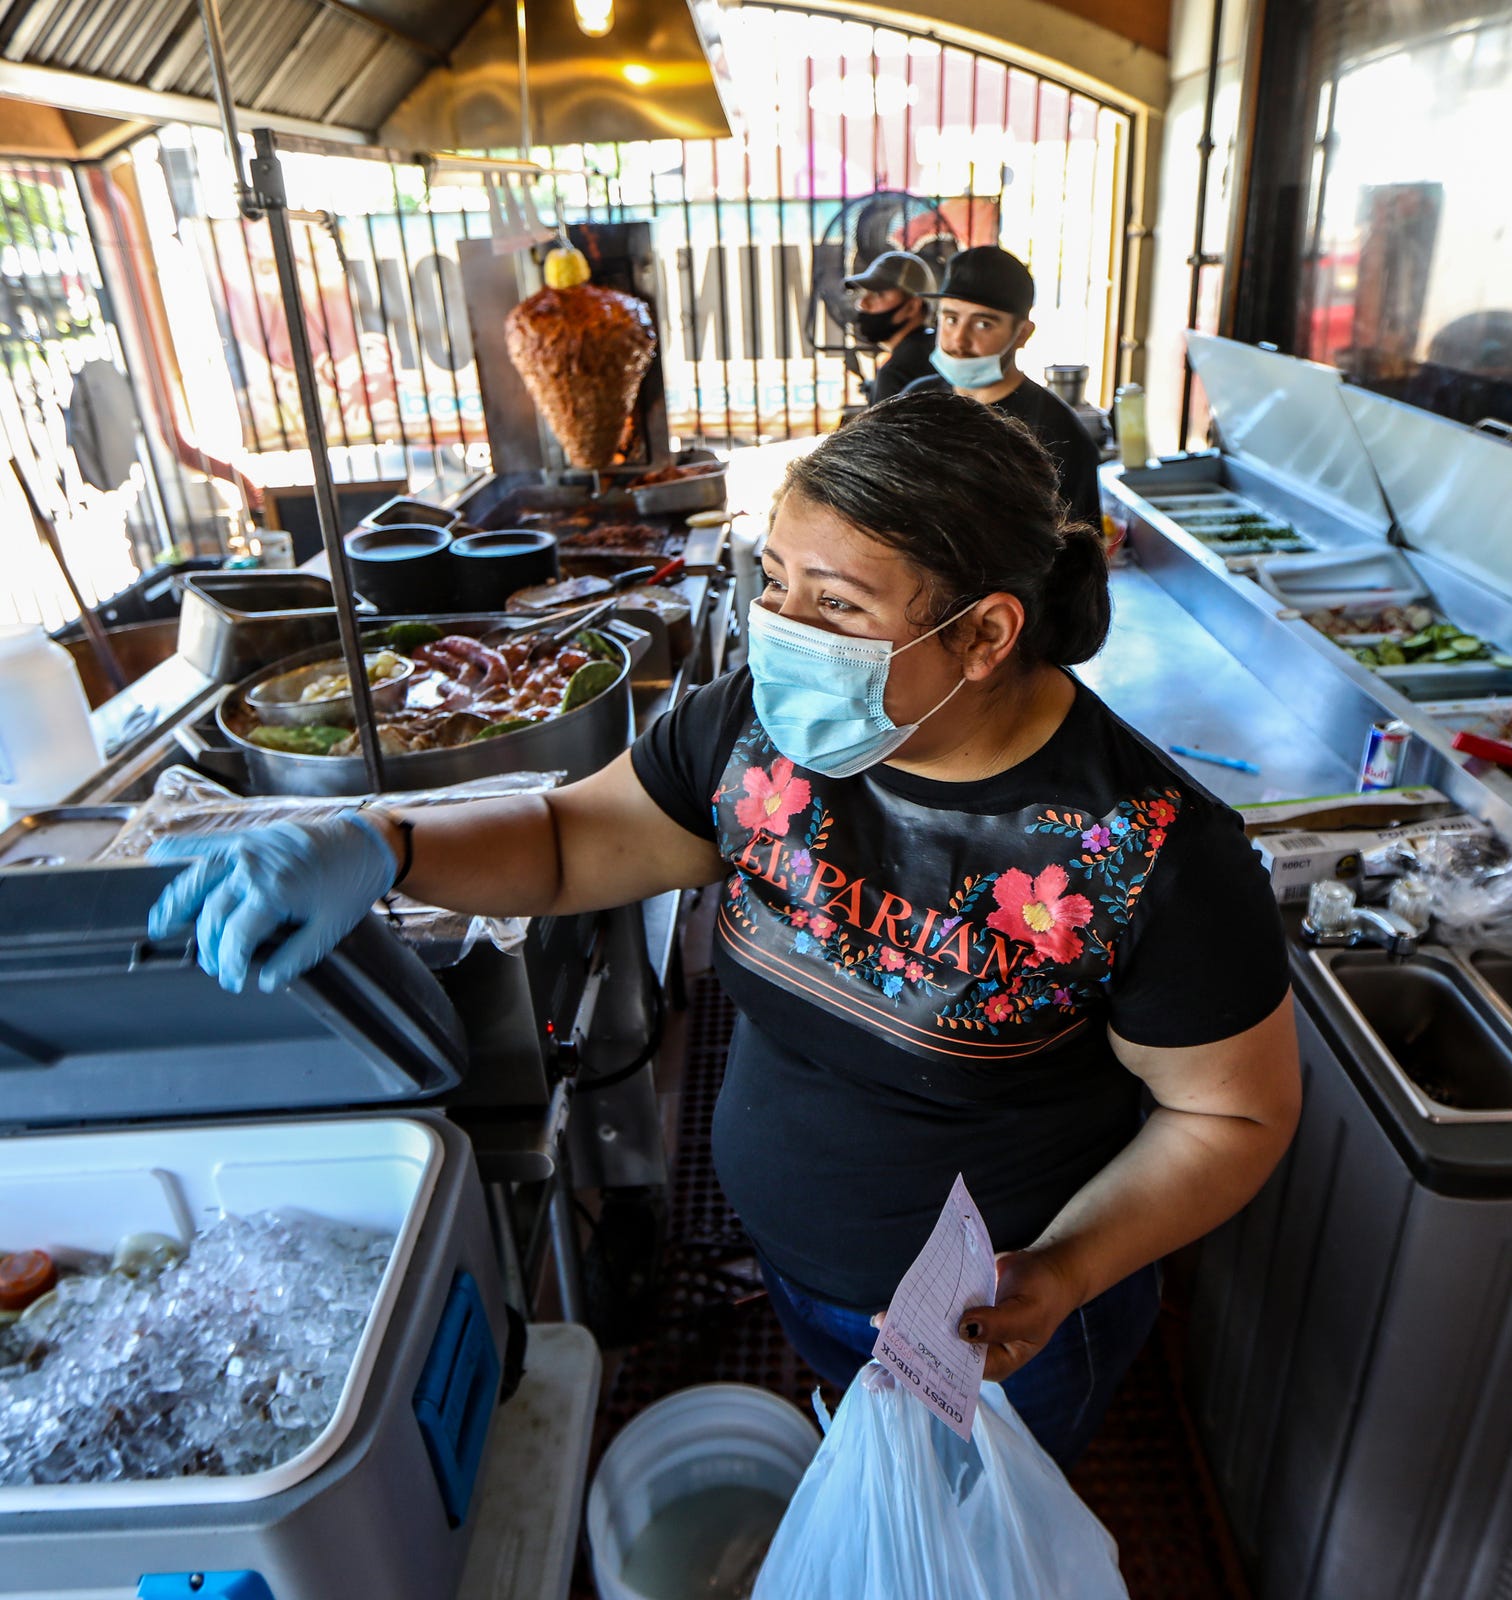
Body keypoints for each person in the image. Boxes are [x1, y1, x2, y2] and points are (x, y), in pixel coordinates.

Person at [147, 389, 1300, 1474]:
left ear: (987, 631)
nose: (785, 633)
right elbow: (565, 843)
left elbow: (1231, 1112)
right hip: (804, 1279)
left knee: (965, 1541)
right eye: (777, 582)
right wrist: (387, 841)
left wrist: (1061, 1272)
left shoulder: (1144, 853)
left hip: (1001, 1324)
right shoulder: (757, 731)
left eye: (838, 606)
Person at [906, 245, 1102, 526]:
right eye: (951, 319)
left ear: (1022, 333)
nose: (959, 340)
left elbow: (1078, 552)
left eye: (983, 324)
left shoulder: (1057, 433)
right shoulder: (913, 402)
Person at [844, 250, 938, 403]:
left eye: (878, 294)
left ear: (913, 306)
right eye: (865, 293)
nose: (862, 303)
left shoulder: (895, 373)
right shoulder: (939, 353)